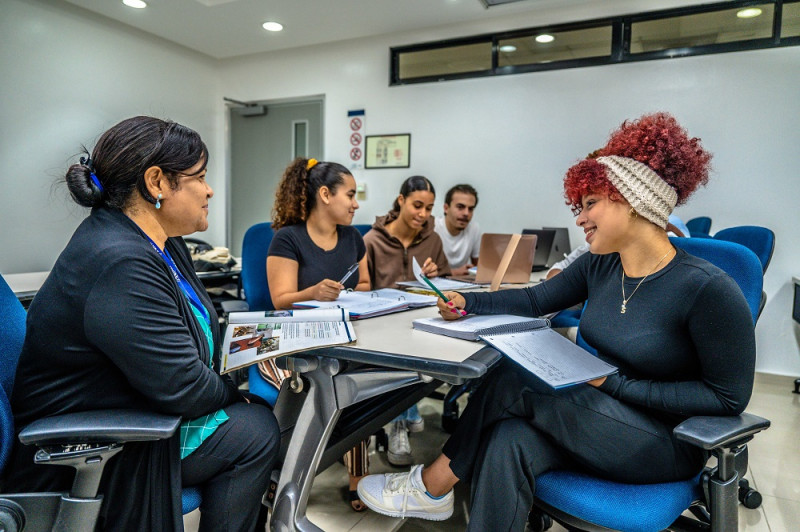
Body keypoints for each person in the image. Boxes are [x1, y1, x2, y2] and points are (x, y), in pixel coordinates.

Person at [357, 112, 755, 530]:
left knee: (517, 375)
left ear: (632, 200)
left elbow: (727, 398)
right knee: (505, 440)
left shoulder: (708, 288)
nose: (580, 218)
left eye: (589, 205)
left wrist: (617, 384)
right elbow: (535, 298)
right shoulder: (600, 266)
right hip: (600, 419)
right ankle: (439, 495)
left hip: (662, 444)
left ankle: (432, 485)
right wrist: (467, 304)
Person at [2, 116, 280, 531]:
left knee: (255, 418)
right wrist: (231, 388)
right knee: (255, 430)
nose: (209, 190)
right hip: (86, 443)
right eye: (200, 178)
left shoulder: (160, 243)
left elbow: (192, 335)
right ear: (156, 182)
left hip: (130, 404)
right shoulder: (119, 259)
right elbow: (183, 386)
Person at [266, 156, 371, 511]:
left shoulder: (354, 238)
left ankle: (357, 475)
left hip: (340, 337)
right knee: (313, 382)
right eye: (351, 194)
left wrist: (353, 295)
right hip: (292, 342)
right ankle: (282, 471)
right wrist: (313, 293)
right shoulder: (287, 239)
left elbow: (367, 284)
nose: (356, 204)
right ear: (325, 194)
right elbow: (281, 301)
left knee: (352, 383)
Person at [363, 175, 451, 466]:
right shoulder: (372, 241)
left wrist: (437, 274)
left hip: (422, 321)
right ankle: (399, 420)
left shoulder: (433, 239)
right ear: (400, 201)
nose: (423, 215)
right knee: (401, 356)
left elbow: (447, 282)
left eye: (429, 208)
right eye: (417, 206)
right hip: (383, 325)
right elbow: (362, 291)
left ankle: (407, 411)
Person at [434, 184, 481, 276]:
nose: (466, 213)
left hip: (461, 284)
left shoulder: (474, 228)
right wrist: (453, 272)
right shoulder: (433, 227)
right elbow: (422, 271)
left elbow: (479, 268)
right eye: (460, 207)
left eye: (470, 209)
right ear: (446, 208)